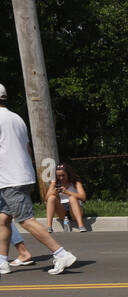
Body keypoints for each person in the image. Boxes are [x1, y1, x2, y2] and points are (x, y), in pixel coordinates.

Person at [0, 83, 76, 275]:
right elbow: (27, 149)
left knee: (26, 220)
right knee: (3, 219)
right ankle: (2, 261)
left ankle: (60, 253)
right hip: (21, 175)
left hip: (10, 179)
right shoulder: (16, 118)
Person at [44, 162, 88, 231]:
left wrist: (67, 192)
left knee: (72, 198)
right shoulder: (55, 183)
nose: (61, 178)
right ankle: (49, 227)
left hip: (75, 207)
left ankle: (81, 226)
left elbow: (83, 197)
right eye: (59, 176)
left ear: (68, 174)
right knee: (51, 197)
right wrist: (54, 192)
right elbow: (46, 198)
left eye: (63, 175)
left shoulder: (75, 182)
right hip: (62, 210)